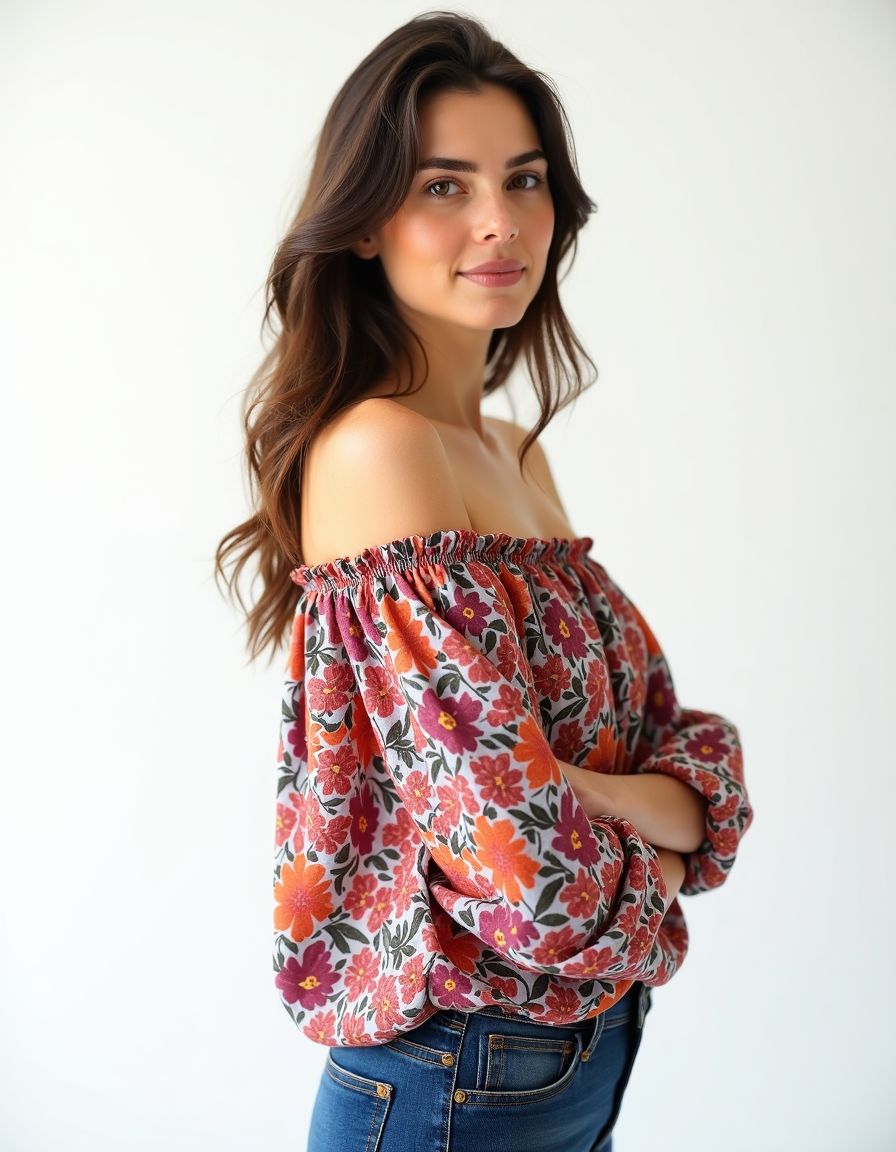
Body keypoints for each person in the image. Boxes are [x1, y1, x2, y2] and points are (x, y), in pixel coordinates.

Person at [214, 11, 754, 1152]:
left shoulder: (516, 455)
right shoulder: (376, 450)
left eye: (523, 180)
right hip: (452, 1064)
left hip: (579, 1051)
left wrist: (594, 793)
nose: (500, 224)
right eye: (442, 187)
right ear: (362, 224)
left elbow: (685, 752)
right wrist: (642, 830)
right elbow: (514, 856)